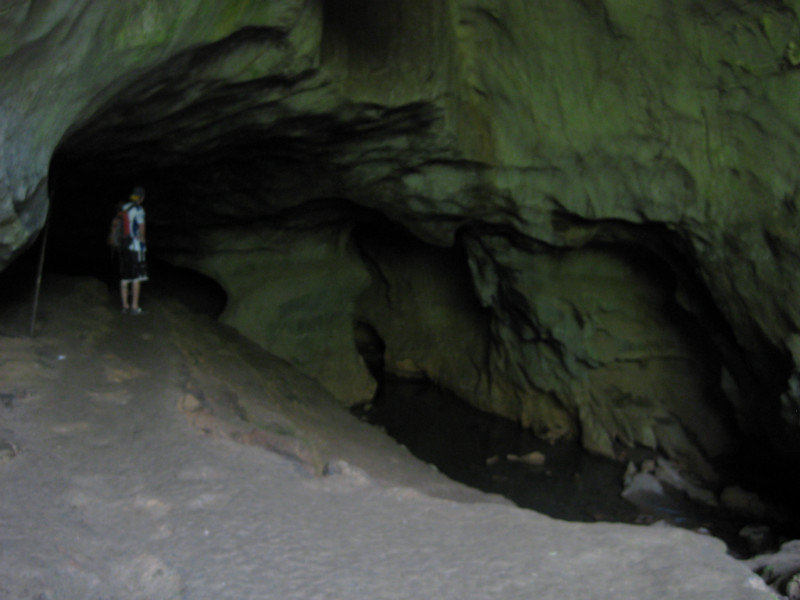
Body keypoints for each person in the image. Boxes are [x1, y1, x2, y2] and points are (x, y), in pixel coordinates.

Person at [112, 186, 148, 314]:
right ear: (141, 198)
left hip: (123, 246)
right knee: (136, 277)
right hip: (134, 247)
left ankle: (125, 306)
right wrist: (143, 241)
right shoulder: (139, 209)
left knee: (125, 278)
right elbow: (141, 228)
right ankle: (134, 307)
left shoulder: (124, 208)